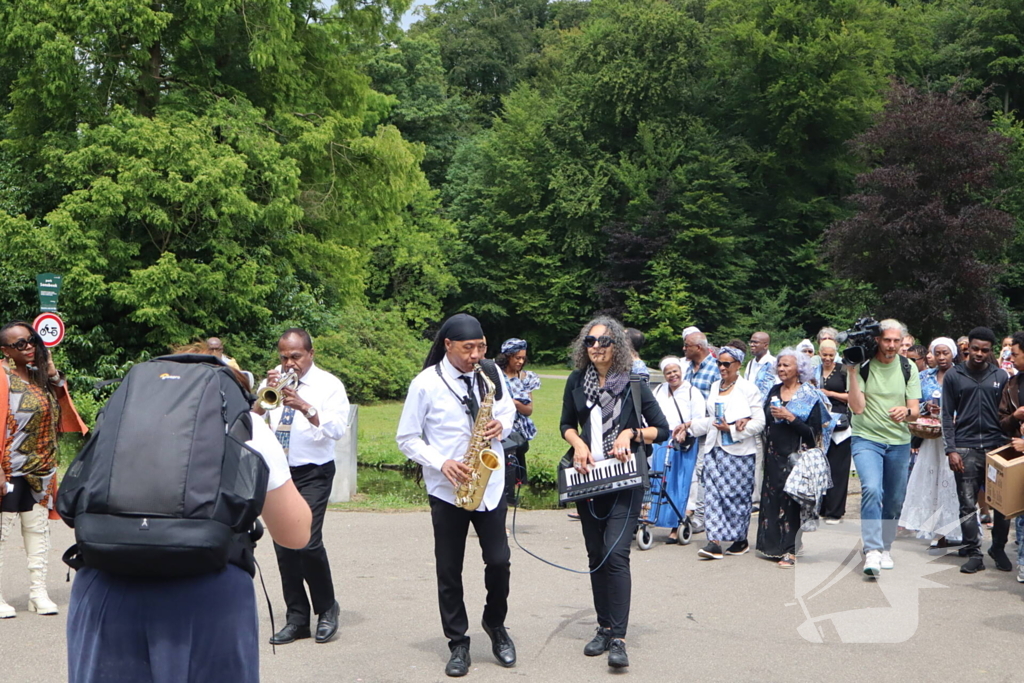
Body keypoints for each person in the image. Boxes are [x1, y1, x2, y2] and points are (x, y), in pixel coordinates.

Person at [65, 343, 312, 683]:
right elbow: (295, 534)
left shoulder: (122, 420)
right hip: (207, 595)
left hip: (105, 589)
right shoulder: (249, 429)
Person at [396, 314, 518, 677]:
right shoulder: (425, 384)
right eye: (469, 349)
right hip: (448, 489)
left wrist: (502, 423)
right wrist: (441, 462)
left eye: (481, 347)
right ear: (447, 346)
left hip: (490, 483)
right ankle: (458, 642)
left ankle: (495, 625)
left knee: (499, 561)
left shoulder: (490, 374)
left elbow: (509, 408)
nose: (476, 355)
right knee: (449, 568)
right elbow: (406, 438)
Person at [560, 317, 669, 669]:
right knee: (595, 555)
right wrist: (577, 443)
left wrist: (632, 434)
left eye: (604, 342)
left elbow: (662, 431)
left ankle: (619, 638)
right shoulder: (577, 381)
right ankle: (604, 627)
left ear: (617, 346)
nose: (596, 348)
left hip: (625, 480)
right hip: (589, 478)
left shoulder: (635, 384)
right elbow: (566, 424)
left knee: (616, 554)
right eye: (590, 342)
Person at [255, 329, 350, 646]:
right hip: (279, 471)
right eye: (283, 356)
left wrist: (306, 407)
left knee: (306, 541)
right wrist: (263, 397)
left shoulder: (329, 386)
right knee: (284, 545)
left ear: (310, 353)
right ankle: (297, 619)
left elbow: (337, 429)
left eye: (295, 356)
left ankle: (326, 608)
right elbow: (252, 421)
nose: (289, 363)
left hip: (313, 471)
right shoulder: (273, 381)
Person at [0, 322, 87, 618]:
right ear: (6, 351)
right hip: (8, 467)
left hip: (41, 468)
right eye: (20, 344)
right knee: (2, 531)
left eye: (32, 341)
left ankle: (38, 592)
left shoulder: (39, 377)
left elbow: (63, 402)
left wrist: (50, 371)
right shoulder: (2, 377)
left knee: (37, 530)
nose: (28, 347)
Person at [847, 319, 921, 577]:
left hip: (899, 442)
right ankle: (873, 550)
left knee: (894, 499)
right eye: (886, 340)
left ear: (902, 342)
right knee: (871, 488)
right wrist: (852, 373)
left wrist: (907, 410)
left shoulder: (908, 367)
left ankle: (885, 546)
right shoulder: (864, 366)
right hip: (866, 438)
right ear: (877, 339)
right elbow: (857, 408)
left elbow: (915, 410)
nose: (891, 346)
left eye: (896, 341)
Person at [686, 347, 764, 561]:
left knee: (736, 498)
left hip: (739, 453)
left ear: (738, 365)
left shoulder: (748, 389)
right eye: (719, 363)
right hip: (714, 450)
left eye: (726, 364)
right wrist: (689, 425)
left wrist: (731, 429)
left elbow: (759, 422)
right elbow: (712, 420)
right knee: (712, 495)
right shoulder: (714, 387)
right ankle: (714, 542)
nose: (721, 367)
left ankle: (740, 539)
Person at [944, 327, 1011, 574]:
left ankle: (998, 548)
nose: (979, 354)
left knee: (1002, 505)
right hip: (965, 447)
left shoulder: (1000, 376)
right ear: (967, 348)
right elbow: (946, 414)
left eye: (984, 350)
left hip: (996, 448)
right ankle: (974, 552)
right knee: (967, 504)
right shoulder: (954, 375)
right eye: (975, 349)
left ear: (991, 350)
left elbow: (1006, 414)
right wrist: (951, 449)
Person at [756, 348, 829, 567]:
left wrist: (790, 417)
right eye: (779, 365)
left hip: (796, 457)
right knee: (771, 501)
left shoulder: (809, 394)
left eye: (786, 365)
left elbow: (814, 432)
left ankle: (790, 549)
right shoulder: (774, 391)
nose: (781, 369)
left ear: (800, 368)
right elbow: (765, 421)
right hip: (773, 455)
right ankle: (771, 546)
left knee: (791, 502)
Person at [898, 338, 962, 548]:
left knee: (950, 482)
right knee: (929, 480)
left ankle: (953, 530)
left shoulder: (961, 375)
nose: (942, 357)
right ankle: (933, 528)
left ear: (953, 353)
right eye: (938, 353)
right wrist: (928, 408)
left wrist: (952, 416)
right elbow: (915, 402)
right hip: (930, 435)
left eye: (945, 353)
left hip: (954, 436)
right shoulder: (924, 376)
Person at [651, 356, 705, 543]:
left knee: (680, 481)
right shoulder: (659, 389)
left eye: (675, 371)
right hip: (660, 439)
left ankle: (676, 523)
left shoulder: (692, 392)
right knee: (660, 479)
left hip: (682, 440)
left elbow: (699, 420)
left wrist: (686, 430)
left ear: (681, 371)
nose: (672, 375)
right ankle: (658, 518)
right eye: (668, 372)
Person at [682, 331, 720, 534]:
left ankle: (701, 516)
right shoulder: (686, 369)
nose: (684, 349)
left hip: (707, 430)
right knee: (687, 471)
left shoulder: (715, 369)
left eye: (687, 345)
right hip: (687, 431)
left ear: (698, 347)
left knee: (702, 472)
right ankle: (686, 511)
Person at [495, 338, 540, 507]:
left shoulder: (526, 378)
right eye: (517, 358)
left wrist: (511, 402)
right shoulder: (495, 375)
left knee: (512, 477)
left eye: (523, 358)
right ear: (507, 356)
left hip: (518, 434)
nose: (521, 361)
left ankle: (505, 510)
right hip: (499, 431)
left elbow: (528, 410)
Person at [997, 331, 1024, 582]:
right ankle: (1023, 562)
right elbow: (1002, 420)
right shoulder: (1012, 384)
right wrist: (1015, 418)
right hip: (1018, 458)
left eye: (1014, 354)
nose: (1010, 359)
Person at [817, 340, 852, 524]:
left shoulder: (843, 370)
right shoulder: (815, 370)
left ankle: (835, 510)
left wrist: (829, 393)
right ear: (819, 353)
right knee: (822, 467)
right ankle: (821, 506)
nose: (828, 359)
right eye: (825, 355)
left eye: (831, 355)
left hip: (839, 424)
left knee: (838, 468)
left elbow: (852, 396)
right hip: (820, 424)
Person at [745, 331, 778, 402]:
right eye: (751, 342)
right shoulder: (750, 364)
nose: (751, 345)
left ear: (765, 346)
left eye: (755, 342)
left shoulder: (774, 363)